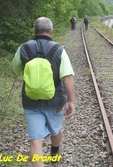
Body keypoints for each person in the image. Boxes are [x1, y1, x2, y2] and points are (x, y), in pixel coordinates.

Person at [12, 17, 75, 167]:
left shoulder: (23, 48)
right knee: (56, 130)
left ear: (34, 31)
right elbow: (67, 77)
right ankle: (54, 151)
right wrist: (71, 101)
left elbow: (16, 70)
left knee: (36, 140)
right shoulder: (59, 49)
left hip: (30, 102)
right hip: (56, 102)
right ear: (51, 31)